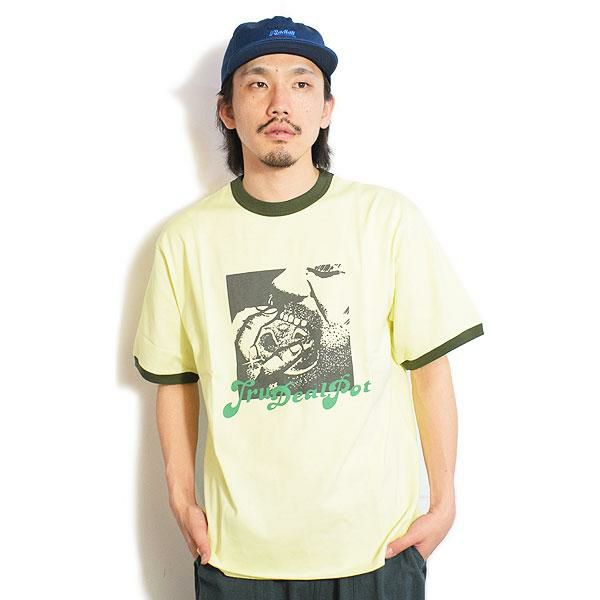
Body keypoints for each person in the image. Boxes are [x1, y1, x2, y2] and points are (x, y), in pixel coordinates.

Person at [132, 15, 485, 600]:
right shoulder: (186, 240)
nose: (280, 103)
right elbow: (175, 379)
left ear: (325, 109)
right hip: (237, 558)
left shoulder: (385, 219)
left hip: (377, 549)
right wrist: (180, 499)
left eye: (301, 84)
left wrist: (444, 501)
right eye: (258, 83)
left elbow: (429, 369)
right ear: (226, 110)